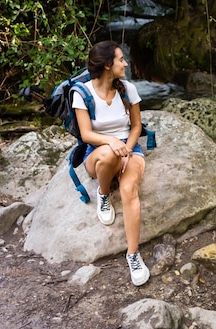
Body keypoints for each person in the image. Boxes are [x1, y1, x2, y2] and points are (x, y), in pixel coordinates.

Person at [71, 41, 149, 286]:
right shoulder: (81, 93)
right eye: (120, 60)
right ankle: (103, 193)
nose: (125, 63)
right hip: (98, 152)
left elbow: (136, 126)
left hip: (130, 147)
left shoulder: (128, 89)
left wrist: (126, 148)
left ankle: (133, 254)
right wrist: (112, 143)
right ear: (107, 65)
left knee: (128, 190)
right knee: (108, 155)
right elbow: (85, 134)